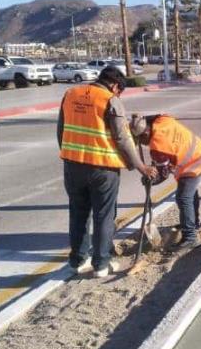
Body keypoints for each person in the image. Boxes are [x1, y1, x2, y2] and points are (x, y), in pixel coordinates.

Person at [57, 66, 152, 278]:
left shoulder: (70, 94)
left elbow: (61, 130)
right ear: (116, 86)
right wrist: (141, 166)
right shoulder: (110, 100)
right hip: (103, 169)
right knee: (104, 216)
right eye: (119, 91)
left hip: (72, 166)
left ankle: (78, 261)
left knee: (78, 213)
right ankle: (101, 264)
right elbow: (122, 139)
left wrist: (69, 154)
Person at [129, 113, 201, 248]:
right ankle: (192, 223)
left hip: (196, 162)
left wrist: (151, 180)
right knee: (190, 194)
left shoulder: (158, 146)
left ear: (145, 134)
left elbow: (163, 173)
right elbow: (161, 115)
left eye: (140, 141)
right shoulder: (162, 121)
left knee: (183, 197)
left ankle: (190, 236)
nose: (142, 144)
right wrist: (143, 119)